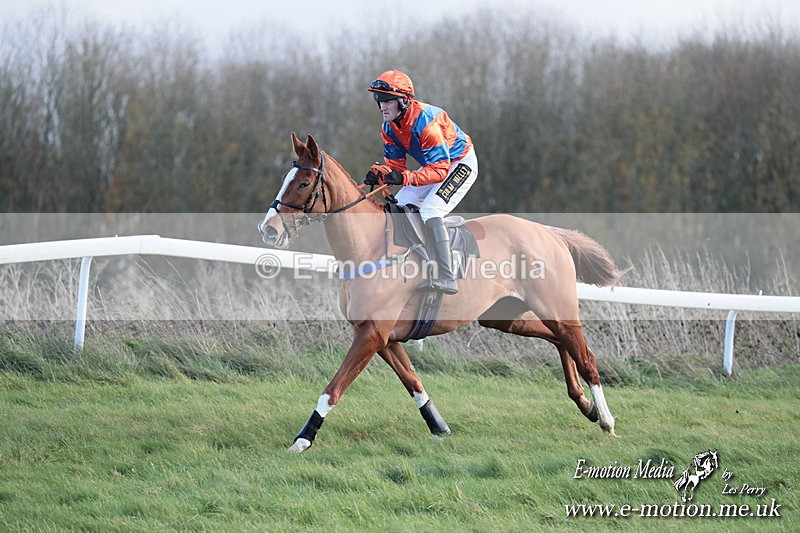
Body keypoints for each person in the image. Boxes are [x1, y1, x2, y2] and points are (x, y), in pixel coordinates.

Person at [364, 69, 478, 295]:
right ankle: (413, 260)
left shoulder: (426, 123)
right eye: (379, 101)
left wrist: (405, 177)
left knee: (430, 210)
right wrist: (382, 174)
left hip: (459, 164)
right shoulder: (389, 127)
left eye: (388, 101)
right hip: (433, 166)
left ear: (404, 101)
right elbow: (397, 169)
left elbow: (440, 170)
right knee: (398, 204)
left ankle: (447, 276)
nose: (382, 107)